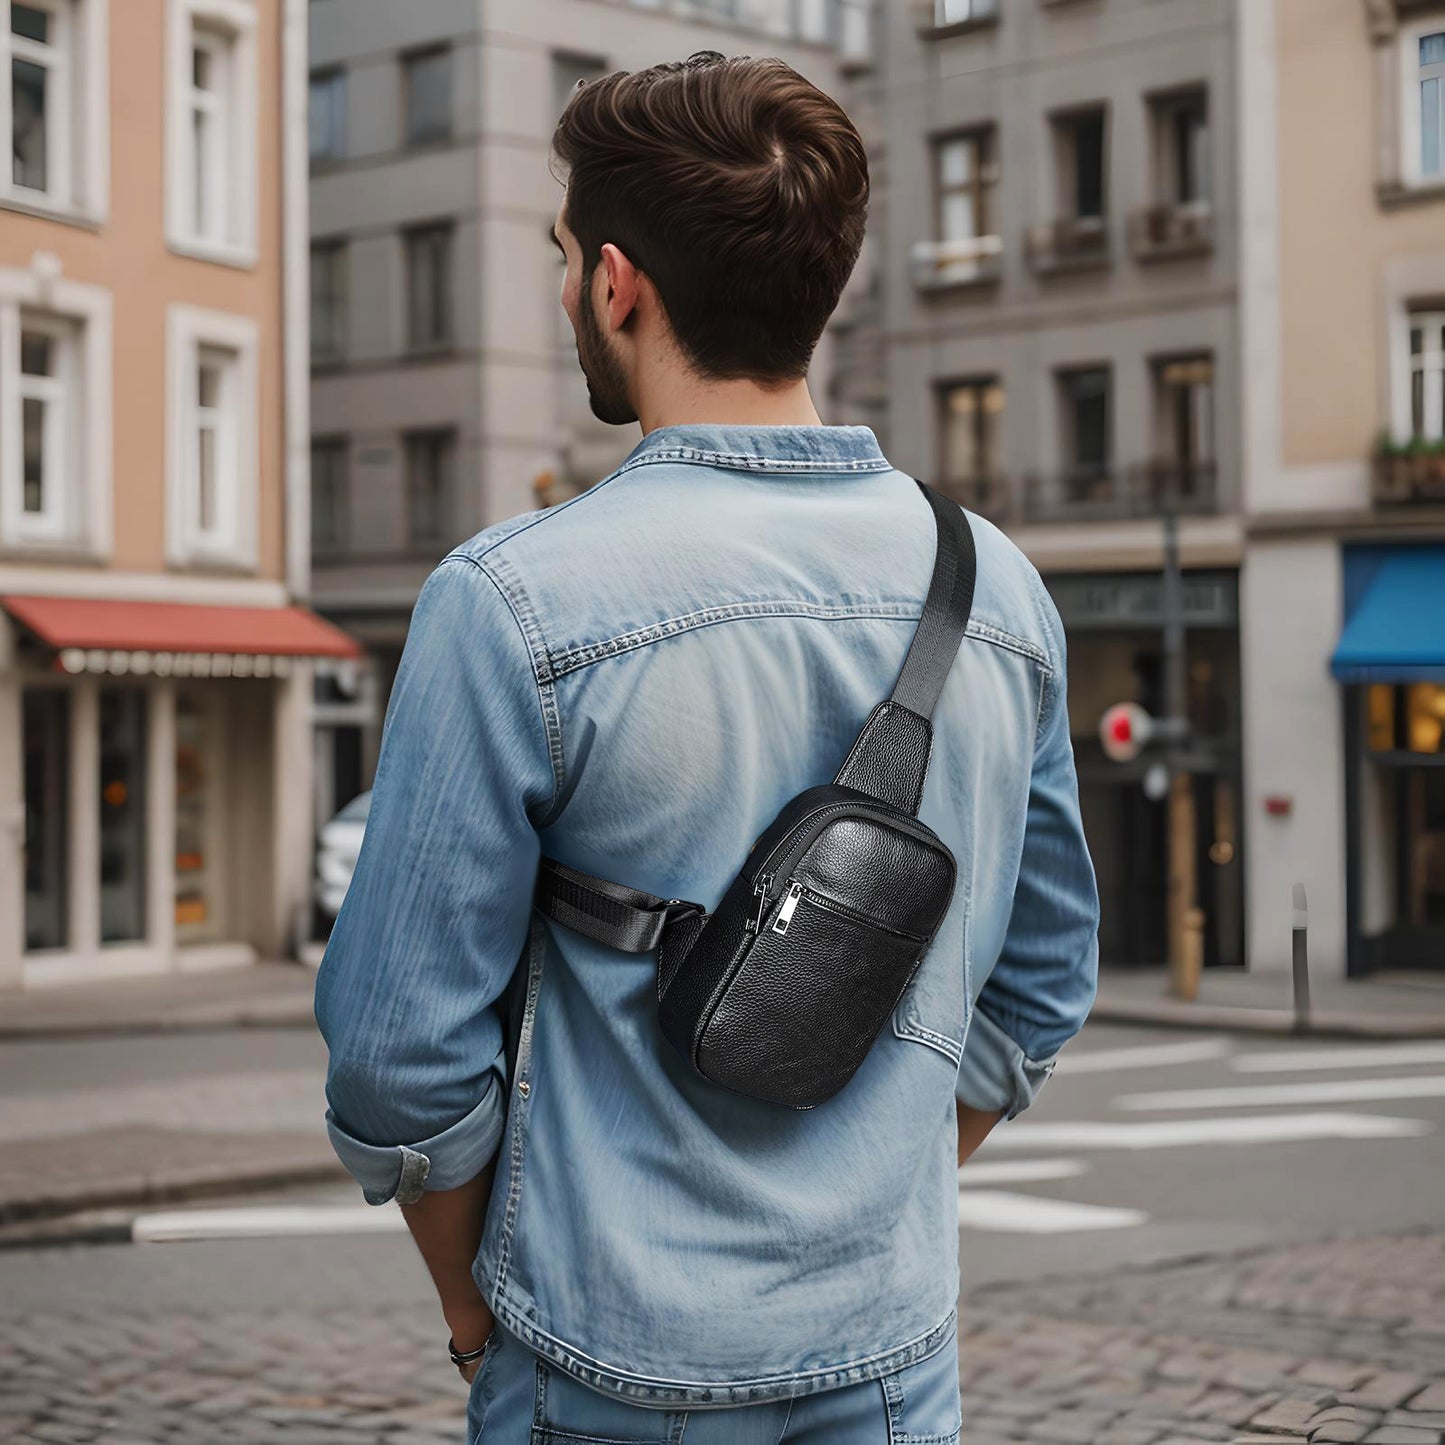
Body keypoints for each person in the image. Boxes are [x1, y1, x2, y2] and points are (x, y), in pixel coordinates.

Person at [313, 49, 1099, 1445]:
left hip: (605, 1366)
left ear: (616, 285)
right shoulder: (998, 593)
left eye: (563, 259)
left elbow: (394, 1060)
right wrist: (875, 1185)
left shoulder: (512, 603)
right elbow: (1036, 988)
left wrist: (470, 1304)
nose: (566, 291)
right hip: (892, 1365)